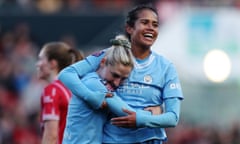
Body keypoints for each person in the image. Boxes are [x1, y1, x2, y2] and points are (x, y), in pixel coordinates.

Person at [59, 4, 183, 144]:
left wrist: (148, 117)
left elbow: (173, 117)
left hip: (150, 139)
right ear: (129, 28)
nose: (150, 28)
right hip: (114, 140)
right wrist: (91, 96)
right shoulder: (109, 56)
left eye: (155, 24)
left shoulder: (166, 68)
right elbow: (67, 74)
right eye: (144, 22)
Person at [36, 42, 84, 144]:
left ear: (53, 63)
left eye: (40, 59)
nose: (37, 64)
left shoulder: (52, 91)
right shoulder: (75, 88)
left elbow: (51, 136)